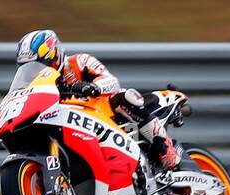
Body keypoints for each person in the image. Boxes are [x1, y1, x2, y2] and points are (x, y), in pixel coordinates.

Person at [15, 29, 181, 170]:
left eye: (39, 64)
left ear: (54, 55)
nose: (36, 71)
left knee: (125, 96)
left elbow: (112, 82)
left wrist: (94, 88)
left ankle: (164, 147)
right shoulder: (37, 85)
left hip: (104, 112)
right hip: (71, 124)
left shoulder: (79, 62)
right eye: (28, 68)